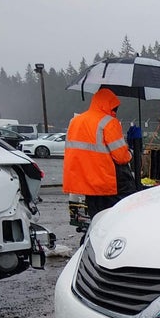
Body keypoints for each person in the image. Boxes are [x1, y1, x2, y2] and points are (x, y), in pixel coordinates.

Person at [63, 88, 134, 219]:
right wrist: (130, 154)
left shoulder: (75, 122)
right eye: (114, 108)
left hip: (87, 183)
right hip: (107, 182)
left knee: (97, 219)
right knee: (120, 217)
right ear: (109, 105)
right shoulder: (109, 122)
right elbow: (121, 157)